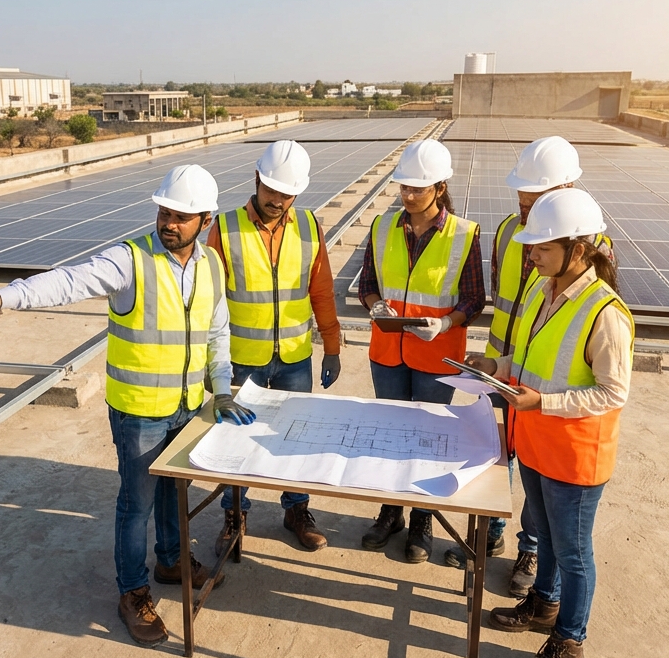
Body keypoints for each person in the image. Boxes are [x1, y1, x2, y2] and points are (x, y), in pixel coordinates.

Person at [0, 164, 258, 649]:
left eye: (181, 216)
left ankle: (172, 559)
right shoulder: (131, 261)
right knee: (137, 505)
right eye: (164, 211)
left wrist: (223, 389)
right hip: (138, 413)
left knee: (177, 494)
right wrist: (1, 298)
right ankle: (132, 593)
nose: (169, 222)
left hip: (187, 406)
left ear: (206, 221)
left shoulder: (211, 266)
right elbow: (67, 281)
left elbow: (217, 333)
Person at [479, 188, 634, 658]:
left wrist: (542, 403)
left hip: (575, 456)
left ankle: (570, 642)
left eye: (543, 247)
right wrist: (495, 367)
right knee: (543, 534)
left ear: (580, 249)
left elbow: (612, 393)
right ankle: (544, 603)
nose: (531, 254)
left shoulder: (605, 312)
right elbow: (529, 363)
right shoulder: (539, 291)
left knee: (574, 553)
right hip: (538, 444)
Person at [447, 136, 611, 598]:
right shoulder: (506, 232)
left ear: (568, 189)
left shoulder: (592, 246)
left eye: (535, 201)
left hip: (549, 384)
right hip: (505, 368)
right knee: (498, 457)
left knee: (542, 474)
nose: (526, 213)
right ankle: (489, 534)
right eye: (521, 201)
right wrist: (497, 362)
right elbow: (506, 301)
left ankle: (532, 549)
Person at [205, 140, 342, 553]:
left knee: (296, 439)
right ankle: (235, 515)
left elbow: (321, 289)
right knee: (234, 445)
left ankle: (296, 509)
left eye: (286, 193)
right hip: (242, 361)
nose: (277, 199)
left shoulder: (308, 225)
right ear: (257, 179)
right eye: (271, 190)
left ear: (297, 192)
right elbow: (208, 301)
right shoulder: (225, 228)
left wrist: (331, 345)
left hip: (295, 358)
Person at [356, 138, 485, 563]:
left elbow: (473, 299)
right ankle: (390, 510)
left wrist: (447, 323)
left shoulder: (464, 234)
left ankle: (421, 521)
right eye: (403, 188)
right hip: (387, 354)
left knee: (429, 440)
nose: (407, 196)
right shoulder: (381, 227)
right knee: (392, 437)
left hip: (434, 358)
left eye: (417, 188)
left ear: (440, 188)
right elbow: (368, 284)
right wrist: (375, 305)